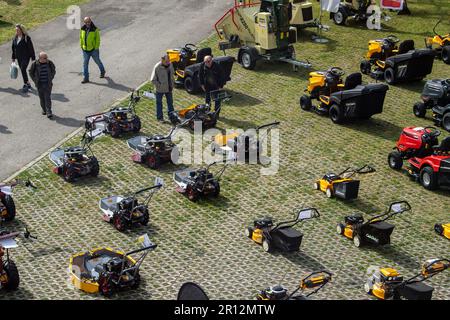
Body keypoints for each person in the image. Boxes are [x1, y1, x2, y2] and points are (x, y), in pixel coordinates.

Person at [29, 52, 56, 119]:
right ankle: (44, 109)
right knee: (42, 98)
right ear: (40, 58)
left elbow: (53, 70)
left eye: (46, 57)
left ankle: (49, 112)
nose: (47, 59)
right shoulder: (35, 64)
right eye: (45, 58)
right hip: (39, 84)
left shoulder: (49, 63)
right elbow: (30, 72)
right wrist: (35, 80)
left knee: (47, 98)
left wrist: (51, 77)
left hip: (47, 84)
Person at [80, 16, 105, 83]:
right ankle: (86, 78)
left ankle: (102, 71)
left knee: (98, 62)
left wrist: (96, 48)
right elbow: (81, 38)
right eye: (86, 22)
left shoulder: (95, 29)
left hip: (94, 50)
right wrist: (81, 46)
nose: (87, 23)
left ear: (90, 21)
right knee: (85, 64)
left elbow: (98, 40)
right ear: (84, 22)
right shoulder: (82, 29)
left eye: (88, 22)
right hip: (85, 50)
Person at [11, 24, 36, 93]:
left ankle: (25, 84)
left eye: (18, 30)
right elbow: (13, 49)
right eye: (16, 30)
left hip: (26, 57)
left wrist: (33, 58)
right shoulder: (14, 38)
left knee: (23, 68)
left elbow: (31, 48)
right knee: (22, 70)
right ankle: (28, 83)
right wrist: (13, 57)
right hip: (19, 57)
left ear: (22, 30)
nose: (16, 31)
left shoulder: (26, 38)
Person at [150, 55, 175, 122]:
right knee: (159, 103)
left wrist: (172, 83)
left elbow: (172, 74)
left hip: (169, 88)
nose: (168, 62)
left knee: (170, 103)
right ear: (162, 61)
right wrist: (160, 85)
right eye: (166, 61)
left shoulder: (170, 64)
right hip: (160, 90)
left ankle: (172, 116)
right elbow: (153, 80)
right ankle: (160, 118)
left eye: (169, 61)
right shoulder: (157, 67)